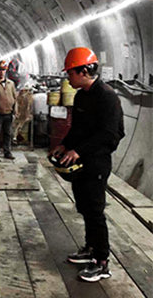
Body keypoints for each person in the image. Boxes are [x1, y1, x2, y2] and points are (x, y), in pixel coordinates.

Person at [49, 47, 125, 282]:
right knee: (83, 207)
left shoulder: (107, 96)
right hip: (81, 162)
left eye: (70, 73)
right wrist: (65, 144)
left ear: (84, 71)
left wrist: (79, 150)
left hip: (97, 164)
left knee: (95, 212)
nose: (67, 78)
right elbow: (78, 129)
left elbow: (113, 134)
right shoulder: (81, 95)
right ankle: (91, 249)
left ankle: (102, 262)